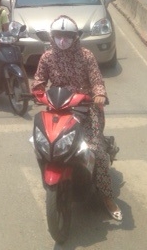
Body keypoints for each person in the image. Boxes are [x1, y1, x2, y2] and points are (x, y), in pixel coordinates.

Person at [31, 15, 122, 221]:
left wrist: (99, 94)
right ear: (52, 37)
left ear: (75, 37)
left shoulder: (86, 55)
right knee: (43, 145)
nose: (63, 40)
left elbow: (97, 80)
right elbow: (39, 80)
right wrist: (36, 91)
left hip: (86, 107)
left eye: (67, 36)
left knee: (95, 150)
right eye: (58, 36)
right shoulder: (47, 57)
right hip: (57, 108)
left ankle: (107, 196)